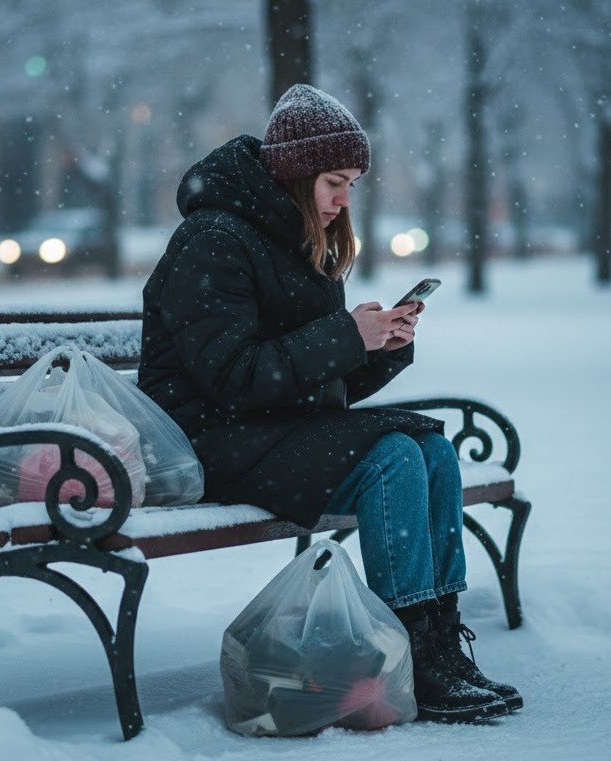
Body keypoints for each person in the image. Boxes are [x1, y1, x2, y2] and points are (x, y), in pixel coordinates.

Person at [138, 83, 522, 723]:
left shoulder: (297, 239)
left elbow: (313, 384)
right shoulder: (213, 241)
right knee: (392, 457)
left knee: (430, 448)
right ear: (294, 176)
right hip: (207, 440)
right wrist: (345, 335)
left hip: (273, 433)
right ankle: (408, 655)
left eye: (351, 184)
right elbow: (233, 377)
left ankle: (439, 644)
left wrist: (378, 349)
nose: (345, 200)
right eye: (334, 182)